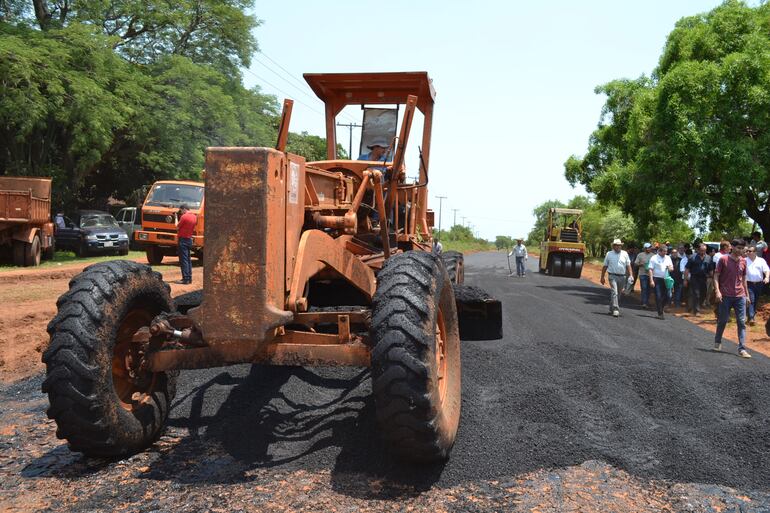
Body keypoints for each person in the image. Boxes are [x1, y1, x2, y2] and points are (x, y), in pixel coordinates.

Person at [713, 238, 751, 358]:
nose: (740, 250)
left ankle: (742, 348)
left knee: (741, 322)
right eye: (738, 248)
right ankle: (718, 341)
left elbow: (744, 279)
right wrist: (717, 291)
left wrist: (747, 296)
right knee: (723, 320)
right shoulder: (723, 259)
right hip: (725, 296)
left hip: (740, 296)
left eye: (742, 248)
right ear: (732, 247)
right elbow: (716, 276)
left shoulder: (744, 261)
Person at [600, 238, 634, 317]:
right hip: (612, 276)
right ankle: (616, 309)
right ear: (613, 246)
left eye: (620, 245)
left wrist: (631, 275)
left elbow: (628, 265)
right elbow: (605, 266)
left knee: (618, 294)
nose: (618, 247)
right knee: (614, 292)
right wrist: (602, 277)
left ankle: (611, 308)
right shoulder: (609, 254)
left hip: (622, 277)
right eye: (617, 245)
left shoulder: (625, 254)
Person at [745, 245, 770, 326]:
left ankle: (750, 316)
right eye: (747, 251)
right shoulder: (744, 260)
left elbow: (767, 270)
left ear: (755, 252)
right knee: (751, 299)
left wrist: (766, 277)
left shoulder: (761, 260)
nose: (748, 252)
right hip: (748, 283)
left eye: (750, 251)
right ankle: (752, 318)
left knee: (755, 300)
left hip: (759, 284)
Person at [648, 245, 674, 319]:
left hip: (666, 279)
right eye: (663, 252)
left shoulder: (668, 258)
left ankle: (661, 307)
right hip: (657, 279)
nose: (665, 253)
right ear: (659, 251)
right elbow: (650, 269)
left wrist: (670, 268)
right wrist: (651, 280)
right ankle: (660, 313)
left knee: (668, 296)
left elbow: (672, 268)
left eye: (666, 252)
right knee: (658, 296)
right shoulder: (654, 258)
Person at [684, 244, 710, 316]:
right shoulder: (692, 257)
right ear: (698, 250)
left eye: (704, 250)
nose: (703, 252)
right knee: (696, 294)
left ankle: (696, 306)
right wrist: (685, 280)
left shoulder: (708, 258)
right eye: (701, 250)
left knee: (703, 294)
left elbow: (710, 269)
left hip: (704, 278)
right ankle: (696, 311)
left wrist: (712, 277)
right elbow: (687, 269)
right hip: (694, 278)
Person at [175, 204, 197, 285]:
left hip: (183, 239)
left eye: (181, 211)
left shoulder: (184, 217)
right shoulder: (194, 217)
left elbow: (177, 227)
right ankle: (189, 277)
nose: (181, 212)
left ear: (184, 209)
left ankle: (185, 279)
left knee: (183, 260)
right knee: (188, 259)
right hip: (189, 239)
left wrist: (176, 218)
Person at [635, 243, 654, 308]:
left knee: (649, 289)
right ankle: (644, 302)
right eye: (648, 247)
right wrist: (641, 264)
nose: (650, 249)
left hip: (651, 275)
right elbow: (636, 263)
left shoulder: (653, 255)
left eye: (650, 247)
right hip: (642, 274)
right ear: (645, 248)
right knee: (644, 288)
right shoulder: (640, 255)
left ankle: (646, 301)